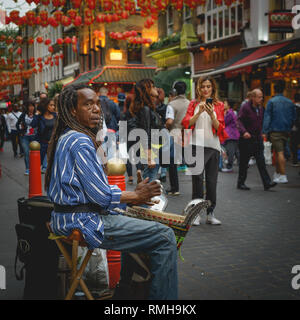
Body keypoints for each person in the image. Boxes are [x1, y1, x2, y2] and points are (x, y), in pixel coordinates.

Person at [45, 84, 178, 300]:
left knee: (139, 226)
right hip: (83, 221)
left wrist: (132, 198)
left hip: (68, 218)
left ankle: (124, 291)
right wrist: (136, 195)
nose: (96, 109)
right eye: (88, 105)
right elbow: (101, 196)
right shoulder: (79, 140)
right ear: (72, 111)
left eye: (97, 104)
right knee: (165, 236)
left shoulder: (69, 136)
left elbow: (95, 191)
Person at [182, 77, 228, 225]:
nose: (206, 89)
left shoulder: (219, 105)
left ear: (212, 88)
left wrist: (211, 114)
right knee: (197, 181)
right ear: (198, 89)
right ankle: (195, 214)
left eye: (208, 86)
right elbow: (187, 123)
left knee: (211, 182)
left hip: (213, 146)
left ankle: (210, 213)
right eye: (203, 87)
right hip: (195, 145)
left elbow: (220, 127)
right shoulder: (193, 104)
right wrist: (199, 112)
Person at [237, 89, 277, 191]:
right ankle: (241, 183)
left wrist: (263, 132)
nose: (261, 99)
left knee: (261, 161)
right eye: (259, 97)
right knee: (244, 163)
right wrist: (244, 132)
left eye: (262, 97)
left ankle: (267, 183)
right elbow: (239, 121)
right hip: (246, 140)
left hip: (257, 138)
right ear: (253, 97)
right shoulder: (245, 107)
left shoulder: (261, 108)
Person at [129, 79, 163, 182]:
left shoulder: (148, 107)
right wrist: (149, 157)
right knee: (150, 182)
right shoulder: (145, 109)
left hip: (153, 148)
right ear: (146, 90)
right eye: (152, 86)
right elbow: (146, 133)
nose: (155, 88)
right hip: (151, 150)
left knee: (149, 180)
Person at [263, 81, 296, 184]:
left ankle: (282, 175)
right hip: (286, 129)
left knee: (279, 152)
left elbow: (267, 117)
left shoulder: (272, 101)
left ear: (275, 89)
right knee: (278, 152)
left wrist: (265, 130)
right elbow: (294, 117)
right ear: (284, 90)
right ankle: (278, 173)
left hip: (275, 130)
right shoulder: (290, 102)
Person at [165, 81, 190, 195]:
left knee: (172, 162)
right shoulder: (190, 103)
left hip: (174, 134)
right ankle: (200, 185)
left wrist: (164, 127)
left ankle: (175, 189)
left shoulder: (171, 104)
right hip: (187, 134)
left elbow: (169, 121)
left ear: (174, 91)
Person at [31, 98, 56, 173]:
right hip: (42, 143)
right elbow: (33, 125)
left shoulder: (55, 115)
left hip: (53, 143)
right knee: (39, 162)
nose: (53, 107)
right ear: (46, 106)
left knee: (52, 163)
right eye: (51, 105)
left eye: (54, 105)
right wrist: (36, 114)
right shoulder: (39, 117)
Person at [99, 87, 120, 160]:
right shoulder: (112, 103)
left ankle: (103, 166)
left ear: (99, 93)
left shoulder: (96, 102)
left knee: (101, 148)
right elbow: (118, 115)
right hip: (111, 128)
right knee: (111, 149)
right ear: (107, 93)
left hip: (100, 129)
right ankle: (110, 167)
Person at [16, 100, 36, 175]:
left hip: (34, 136)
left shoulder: (36, 115)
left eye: (32, 106)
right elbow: (17, 124)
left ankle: (35, 167)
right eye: (29, 106)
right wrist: (20, 132)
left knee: (35, 153)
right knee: (27, 153)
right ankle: (28, 168)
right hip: (25, 137)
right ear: (27, 107)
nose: (31, 108)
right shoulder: (23, 115)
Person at [222, 100, 240, 172]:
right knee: (236, 151)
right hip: (234, 134)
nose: (223, 104)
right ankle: (243, 164)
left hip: (230, 135)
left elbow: (224, 122)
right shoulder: (232, 112)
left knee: (231, 152)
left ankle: (229, 167)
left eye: (225, 103)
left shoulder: (229, 113)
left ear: (228, 105)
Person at [290, 93, 300, 167]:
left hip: (294, 128)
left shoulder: (293, 107)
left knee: (294, 144)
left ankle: (295, 160)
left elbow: (292, 118)